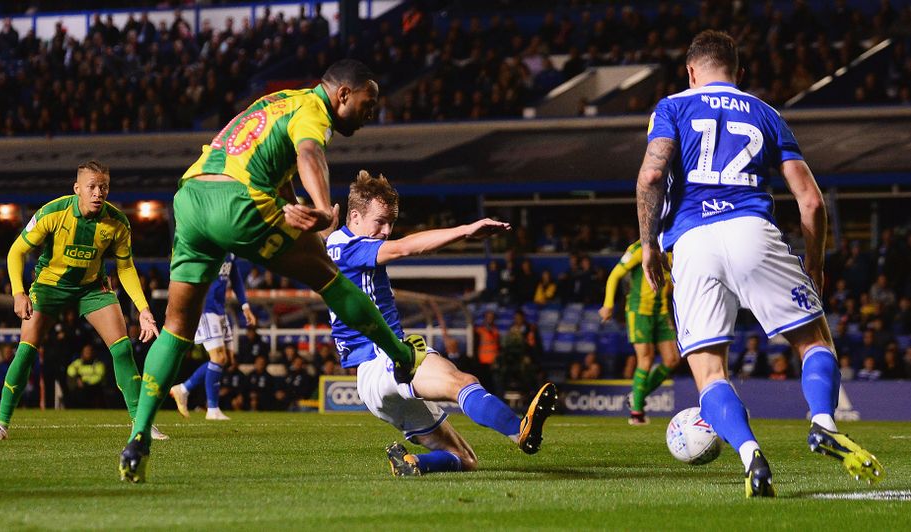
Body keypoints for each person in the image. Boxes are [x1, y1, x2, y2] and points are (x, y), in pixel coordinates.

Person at [119, 60, 427, 483]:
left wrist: (293, 200)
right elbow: (308, 152)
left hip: (191, 198)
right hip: (236, 200)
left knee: (176, 326)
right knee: (329, 275)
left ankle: (139, 437)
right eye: (367, 103)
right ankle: (400, 354)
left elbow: (274, 162)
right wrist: (321, 207)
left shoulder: (276, 102)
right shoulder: (313, 111)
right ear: (342, 95)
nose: (370, 113)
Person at [636, 30, 883, 497]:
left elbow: (651, 175)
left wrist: (649, 245)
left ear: (691, 73)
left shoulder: (672, 106)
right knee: (813, 341)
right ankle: (824, 422)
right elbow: (809, 202)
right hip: (753, 230)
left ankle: (751, 455)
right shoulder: (767, 114)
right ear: (739, 74)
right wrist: (816, 263)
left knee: (710, 373)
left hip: (691, 244)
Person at [326, 171, 557, 476]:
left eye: (391, 223)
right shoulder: (352, 246)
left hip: (373, 388)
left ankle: (413, 464)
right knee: (463, 383)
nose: (385, 231)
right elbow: (405, 248)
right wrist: (465, 230)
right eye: (379, 222)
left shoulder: (336, 242)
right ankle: (520, 429)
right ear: (354, 217)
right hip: (387, 358)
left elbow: (329, 243)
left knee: (464, 458)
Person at [0, 161, 165, 442]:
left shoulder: (117, 222)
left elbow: (126, 268)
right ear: (77, 189)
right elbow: (16, 251)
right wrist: (18, 292)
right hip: (49, 288)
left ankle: (141, 424)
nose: (98, 192)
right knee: (27, 350)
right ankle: (1, 424)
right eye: (91, 187)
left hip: (92, 289)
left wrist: (143, 309)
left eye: (103, 187)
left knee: (122, 348)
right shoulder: (53, 212)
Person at [599, 240, 680, 425]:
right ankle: (637, 412)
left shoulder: (672, 249)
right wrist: (608, 304)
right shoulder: (638, 249)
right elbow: (615, 275)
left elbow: (670, 284)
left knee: (672, 359)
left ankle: (636, 395)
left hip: (661, 312)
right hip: (639, 312)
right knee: (646, 359)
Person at [169, 254, 256, 421]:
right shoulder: (211, 243)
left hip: (219, 309)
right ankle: (212, 409)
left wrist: (245, 306)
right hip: (205, 309)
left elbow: (235, 276)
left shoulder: (230, 250)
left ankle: (184, 389)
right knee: (218, 357)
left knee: (227, 359)